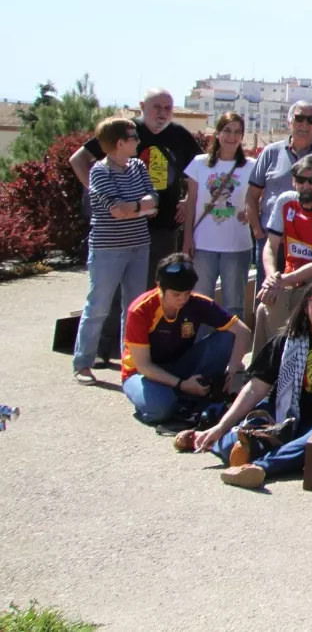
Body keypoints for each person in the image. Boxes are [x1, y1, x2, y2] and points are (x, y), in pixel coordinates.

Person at [186, 278, 312, 489]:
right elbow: (254, 389)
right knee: (232, 443)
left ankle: (259, 467)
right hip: (283, 408)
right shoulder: (286, 341)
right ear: (307, 306)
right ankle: (211, 439)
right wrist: (220, 427)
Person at [70, 88, 201, 291]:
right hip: (122, 226)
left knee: (158, 288)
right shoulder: (125, 130)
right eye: (157, 107)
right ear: (142, 106)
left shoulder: (180, 135)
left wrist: (187, 201)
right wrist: (100, 193)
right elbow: (78, 159)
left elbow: (200, 171)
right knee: (115, 292)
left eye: (168, 108)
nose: (162, 113)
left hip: (165, 226)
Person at [72, 117, 158, 383]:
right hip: (107, 249)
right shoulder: (100, 171)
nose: (138, 141)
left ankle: (130, 364)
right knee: (98, 306)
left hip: (139, 245)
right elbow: (116, 210)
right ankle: (83, 364)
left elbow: (154, 199)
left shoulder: (138, 166)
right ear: (120, 143)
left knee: (133, 308)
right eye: (134, 137)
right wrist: (141, 207)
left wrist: (137, 207)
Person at [120, 253, 251, 424]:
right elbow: (144, 365)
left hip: (180, 364)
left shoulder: (197, 302)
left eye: (187, 293)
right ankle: (174, 396)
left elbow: (243, 331)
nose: (182, 299)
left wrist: (232, 370)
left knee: (226, 337)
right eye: (176, 294)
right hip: (141, 372)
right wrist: (182, 384)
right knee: (160, 409)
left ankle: (188, 394)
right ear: (160, 287)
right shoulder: (140, 310)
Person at [254, 155, 312, 358]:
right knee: (266, 304)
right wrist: (272, 278)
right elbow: (270, 246)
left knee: (272, 306)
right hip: (286, 276)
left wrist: (281, 281)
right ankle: (262, 365)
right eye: (301, 180)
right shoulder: (285, 201)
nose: (306, 186)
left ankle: (283, 362)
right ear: (294, 181)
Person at [246, 101, 312, 278]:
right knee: (268, 289)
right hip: (271, 240)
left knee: (304, 293)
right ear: (289, 121)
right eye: (299, 118)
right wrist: (258, 233)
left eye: (311, 120)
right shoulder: (270, 152)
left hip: (310, 244)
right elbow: (251, 196)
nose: (304, 124)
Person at [181, 111, 254, 316]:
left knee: (234, 305)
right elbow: (191, 203)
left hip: (237, 245)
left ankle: (232, 339)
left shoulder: (251, 166)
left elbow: (261, 199)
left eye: (237, 132)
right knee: (201, 302)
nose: (232, 136)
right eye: (227, 130)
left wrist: (251, 213)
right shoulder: (199, 163)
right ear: (217, 133)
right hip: (203, 245)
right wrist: (187, 238)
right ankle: (202, 338)